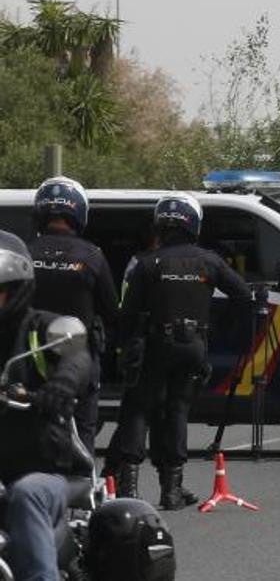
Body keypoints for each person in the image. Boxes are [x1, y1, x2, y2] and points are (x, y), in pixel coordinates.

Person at [110, 193, 250, 510]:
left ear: (161, 224)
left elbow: (128, 314)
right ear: (194, 225)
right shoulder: (209, 261)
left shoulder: (148, 264)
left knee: (138, 410)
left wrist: (125, 346)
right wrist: (217, 327)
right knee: (177, 412)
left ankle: (129, 488)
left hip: (155, 344)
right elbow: (243, 296)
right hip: (193, 347)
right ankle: (171, 491)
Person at [0, 231, 93, 581]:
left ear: (17, 289)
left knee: (28, 494)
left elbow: (77, 357)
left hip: (49, 472)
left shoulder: (44, 329)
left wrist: (62, 384)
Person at [28, 176, 119, 447]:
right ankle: (82, 484)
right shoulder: (92, 255)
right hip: (78, 358)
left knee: (27, 427)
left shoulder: (24, 252)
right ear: (78, 212)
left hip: (29, 356)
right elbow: (112, 311)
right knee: (83, 430)